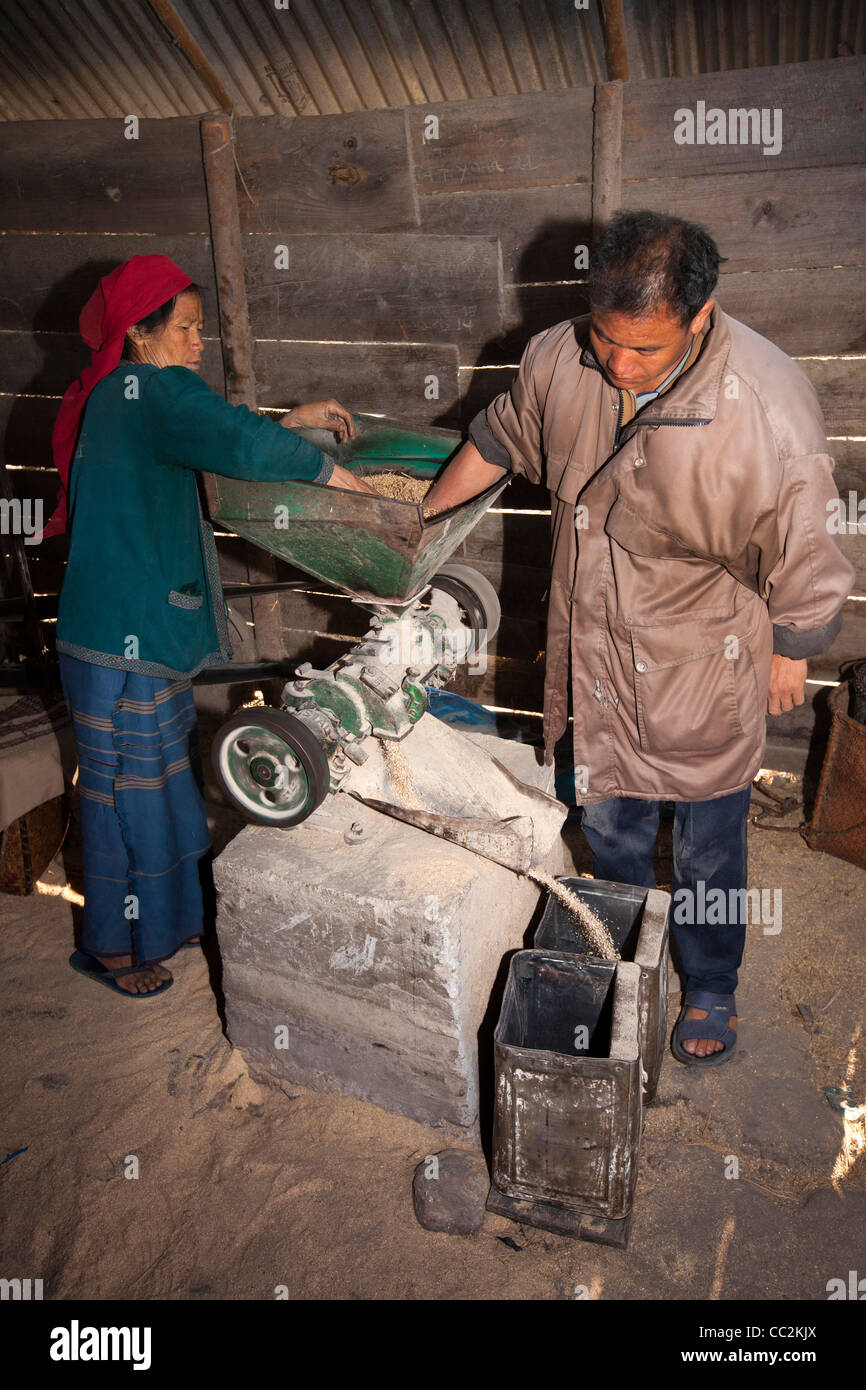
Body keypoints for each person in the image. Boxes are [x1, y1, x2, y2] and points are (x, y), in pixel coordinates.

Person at [423, 211, 854, 1066]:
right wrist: (418, 524)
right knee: (610, 821)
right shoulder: (558, 356)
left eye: (645, 350)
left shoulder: (766, 410)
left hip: (704, 656)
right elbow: (499, 439)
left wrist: (792, 647)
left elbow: (806, 549)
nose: (618, 364)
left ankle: (714, 984)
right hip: (596, 652)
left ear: (701, 316)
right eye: (606, 338)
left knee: (706, 848)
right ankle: (630, 959)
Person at [50, 254, 374, 997]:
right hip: (116, 636)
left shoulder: (123, 393)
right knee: (123, 793)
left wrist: (287, 424)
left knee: (159, 784)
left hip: (124, 632)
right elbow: (231, 443)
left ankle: (167, 921)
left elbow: (209, 436)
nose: (200, 343)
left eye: (202, 329)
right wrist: (339, 479)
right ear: (139, 334)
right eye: (188, 329)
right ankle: (111, 947)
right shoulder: (151, 390)